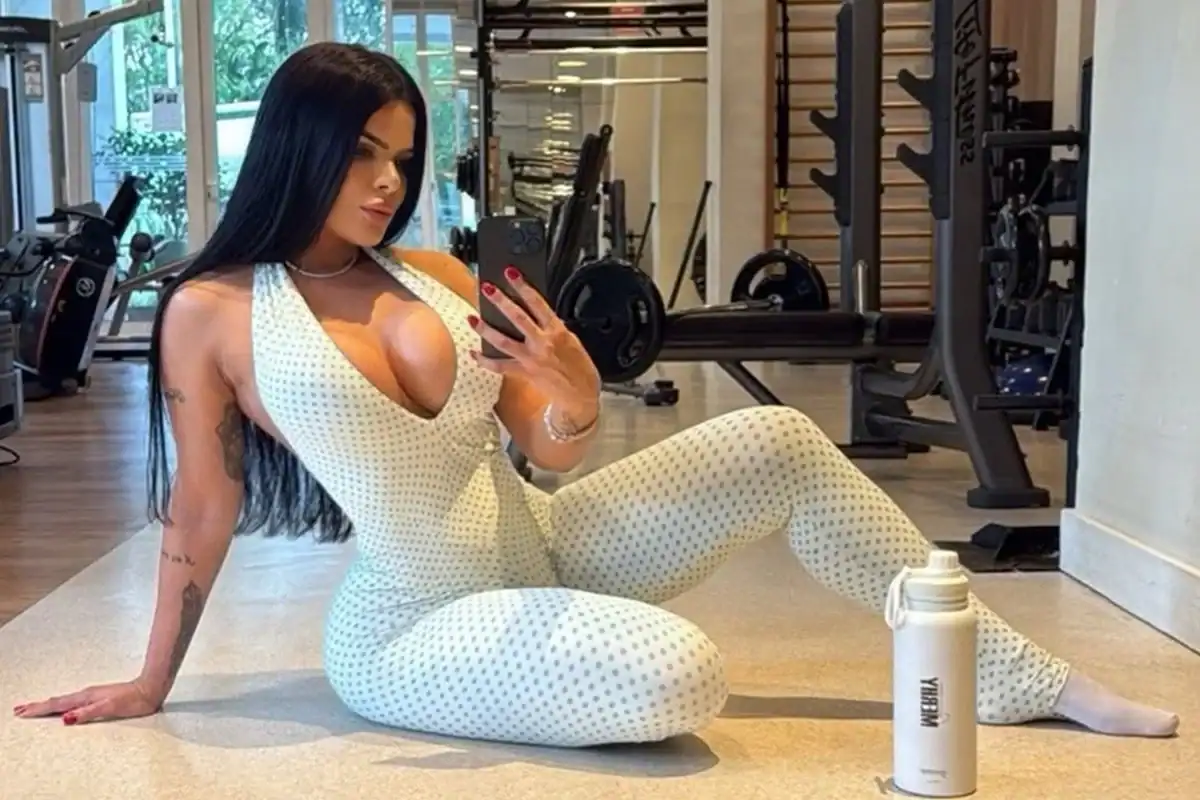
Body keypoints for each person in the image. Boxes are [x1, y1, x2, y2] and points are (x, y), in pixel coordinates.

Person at [13, 43, 1178, 745]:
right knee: (680, 672)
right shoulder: (216, 310)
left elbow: (548, 445)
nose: (387, 182)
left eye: (402, 158)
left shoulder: (434, 275)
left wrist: (573, 397)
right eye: (363, 152)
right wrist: (151, 680)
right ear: (295, 148)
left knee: (779, 437)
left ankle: (1020, 676)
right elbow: (202, 506)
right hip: (409, 621)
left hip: (548, 541)